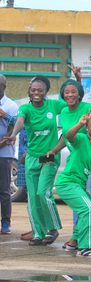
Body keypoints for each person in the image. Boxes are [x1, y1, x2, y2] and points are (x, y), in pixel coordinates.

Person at [47, 66, 91, 250]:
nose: (70, 95)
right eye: (66, 92)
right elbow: (67, 137)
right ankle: (79, 236)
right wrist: (53, 151)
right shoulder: (64, 112)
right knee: (82, 202)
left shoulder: (88, 108)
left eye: (73, 92)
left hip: (89, 156)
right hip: (78, 156)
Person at [5, 76, 66, 245]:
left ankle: (52, 228)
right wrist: (12, 135)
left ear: (46, 92)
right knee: (32, 198)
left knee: (43, 193)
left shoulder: (53, 105)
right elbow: (20, 121)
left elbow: (72, 104)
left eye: (40, 90)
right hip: (32, 157)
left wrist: (78, 80)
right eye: (33, 90)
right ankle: (38, 233)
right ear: (29, 92)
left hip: (49, 157)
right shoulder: (25, 108)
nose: (36, 93)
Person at [55, 112, 91, 257]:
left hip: (79, 185)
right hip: (67, 183)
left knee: (88, 209)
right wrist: (79, 123)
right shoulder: (82, 139)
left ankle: (75, 242)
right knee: (87, 208)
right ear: (87, 128)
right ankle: (85, 247)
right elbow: (69, 136)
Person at [0, 74, 18, 234]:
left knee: (4, 190)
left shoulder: (11, 105)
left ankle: (5, 223)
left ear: (3, 87)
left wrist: (5, 115)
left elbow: (18, 125)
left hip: (4, 155)